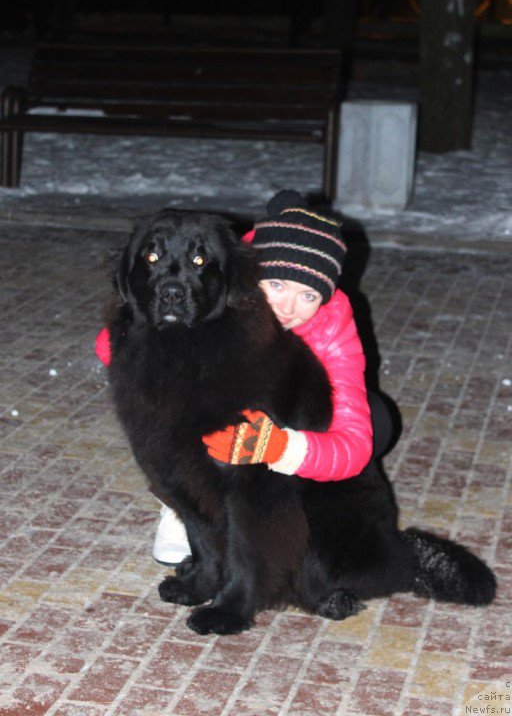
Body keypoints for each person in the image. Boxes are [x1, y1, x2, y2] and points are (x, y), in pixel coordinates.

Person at [95, 191, 394, 565]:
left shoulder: (332, 325)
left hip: (297, 409)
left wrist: (284, 449)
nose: (286, 307)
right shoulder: (228, 279)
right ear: (246, 279)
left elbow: (353, 448)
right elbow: (111, 344)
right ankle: (179, 507)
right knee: (160, 420)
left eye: (308, 295)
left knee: (377, 419)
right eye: (277, 286)